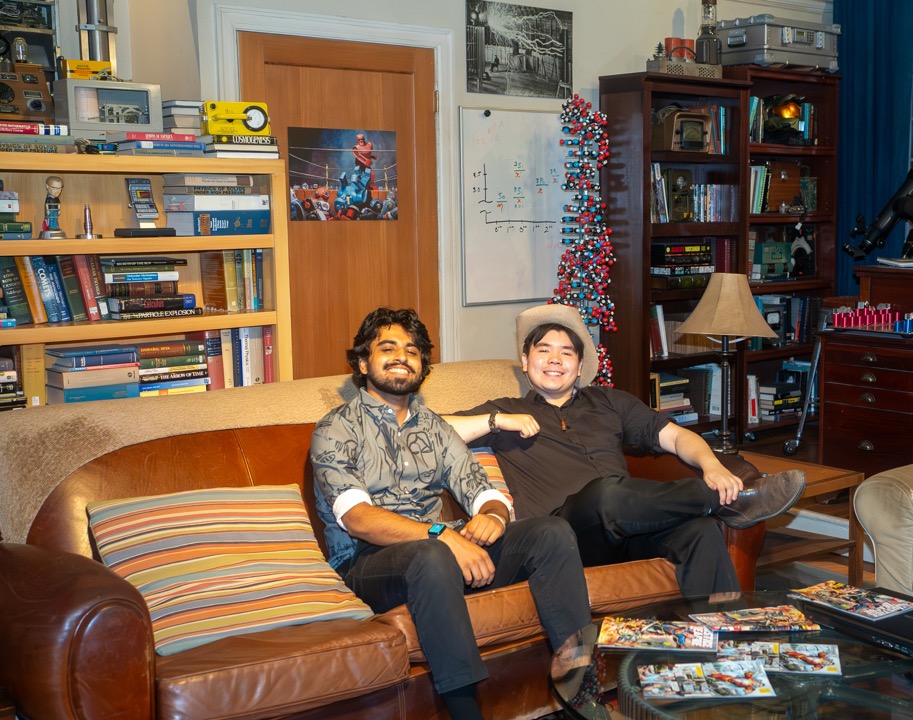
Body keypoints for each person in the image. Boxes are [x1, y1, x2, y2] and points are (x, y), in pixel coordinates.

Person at [310, 307, 596, 720]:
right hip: (367, 563)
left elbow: (485, 493)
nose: (401, 357)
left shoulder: (435, 428)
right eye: (387, 348)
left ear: (423, 365)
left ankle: (580, 697)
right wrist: (443, 534)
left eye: (412, 350)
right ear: (362, 362)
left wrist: (494, 517)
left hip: (441, 555)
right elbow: (359, 519)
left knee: (551, 532)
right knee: (433, 554)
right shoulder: (335, 429)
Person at [444, 304, 805, 597]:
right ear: (525, 362)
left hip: (629, 528)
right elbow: (430, 431)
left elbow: (675, 436)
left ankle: (724, 649)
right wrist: (497, 421)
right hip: (566, 535)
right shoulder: (505, 408)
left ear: (580, 367)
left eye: (566, 353)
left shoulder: (610, 402)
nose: (555, 360)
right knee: (605, 494)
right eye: (544, 351)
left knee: (701, 532)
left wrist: (711, 465)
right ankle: (730, 502)